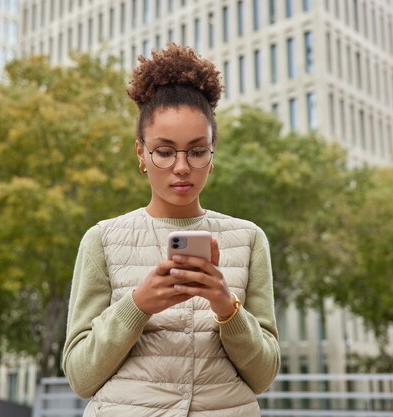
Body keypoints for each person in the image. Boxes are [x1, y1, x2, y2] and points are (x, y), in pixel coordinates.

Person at [62, 44, 280, 417]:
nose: (181, 167)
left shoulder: (249, 239)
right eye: (164, 151)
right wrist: (138, 305)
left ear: (213, 155)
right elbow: (81, 377)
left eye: (197, 152)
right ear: (140, 154)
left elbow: (262, 377)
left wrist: (228, 309)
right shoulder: (102, 239)